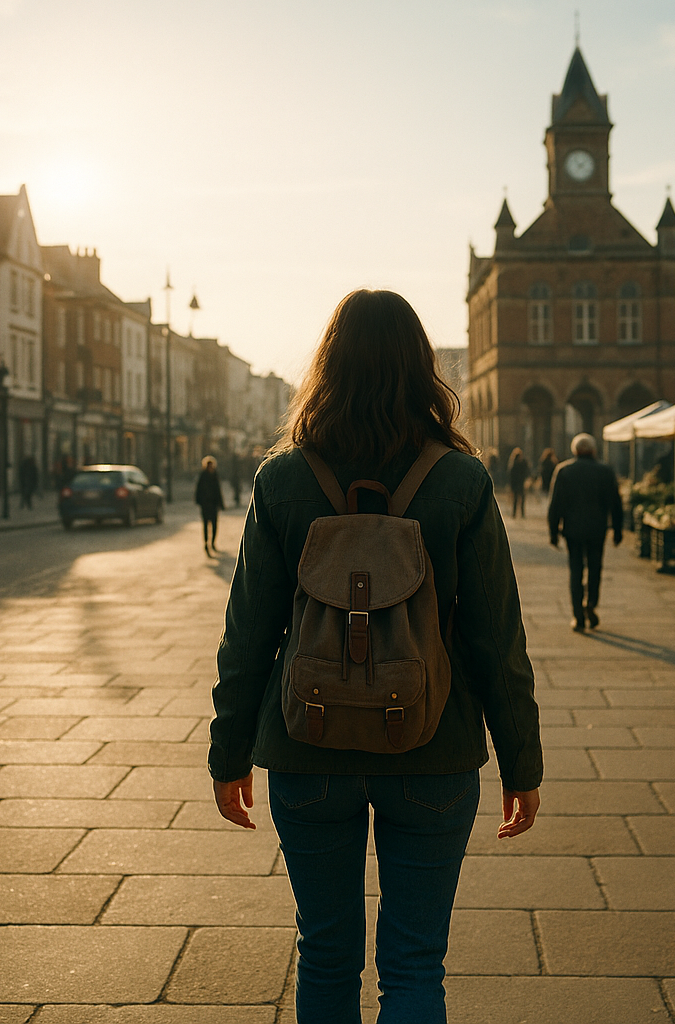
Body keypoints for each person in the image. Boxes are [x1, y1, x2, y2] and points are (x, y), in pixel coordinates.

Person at [209, 289, 542, 1024]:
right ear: (421, 369)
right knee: (416, 964)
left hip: (307, 745)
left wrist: (228, 752)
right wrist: (522, 764)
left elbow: (248, 633)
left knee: (325, 955)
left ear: (328, 366)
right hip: (434, 746)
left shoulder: (284, 478)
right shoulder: (460, 480)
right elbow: (496, 638)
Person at [547, 432, 624, 633]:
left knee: (576, 571)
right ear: (593, 450)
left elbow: (555, 504)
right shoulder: (606, 471)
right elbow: (615, 503)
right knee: (595, 568)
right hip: (597, 529)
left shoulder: (564, 471)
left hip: (572, 530)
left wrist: (553, 532)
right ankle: (591, 602)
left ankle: (578, 616)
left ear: (575, 451)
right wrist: (617, 529)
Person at [194, 455, 226, 556]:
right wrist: (200, 501)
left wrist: (221, 503)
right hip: (205, 504)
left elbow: (218, 490)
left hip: (213, 504)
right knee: (206, 525)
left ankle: (212, 543)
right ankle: (206, 543)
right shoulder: (203, 476)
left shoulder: (215, 476)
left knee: (214, 525)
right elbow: (198, 490)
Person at [507, 446, 529, 517]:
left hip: (520, 483)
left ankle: (522, 513)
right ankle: (515, 513)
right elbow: (511, 475)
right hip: (516, 484)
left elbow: (526, 472)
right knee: (516, 499)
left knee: (521, 499)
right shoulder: (514, 464)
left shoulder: (522, 463)